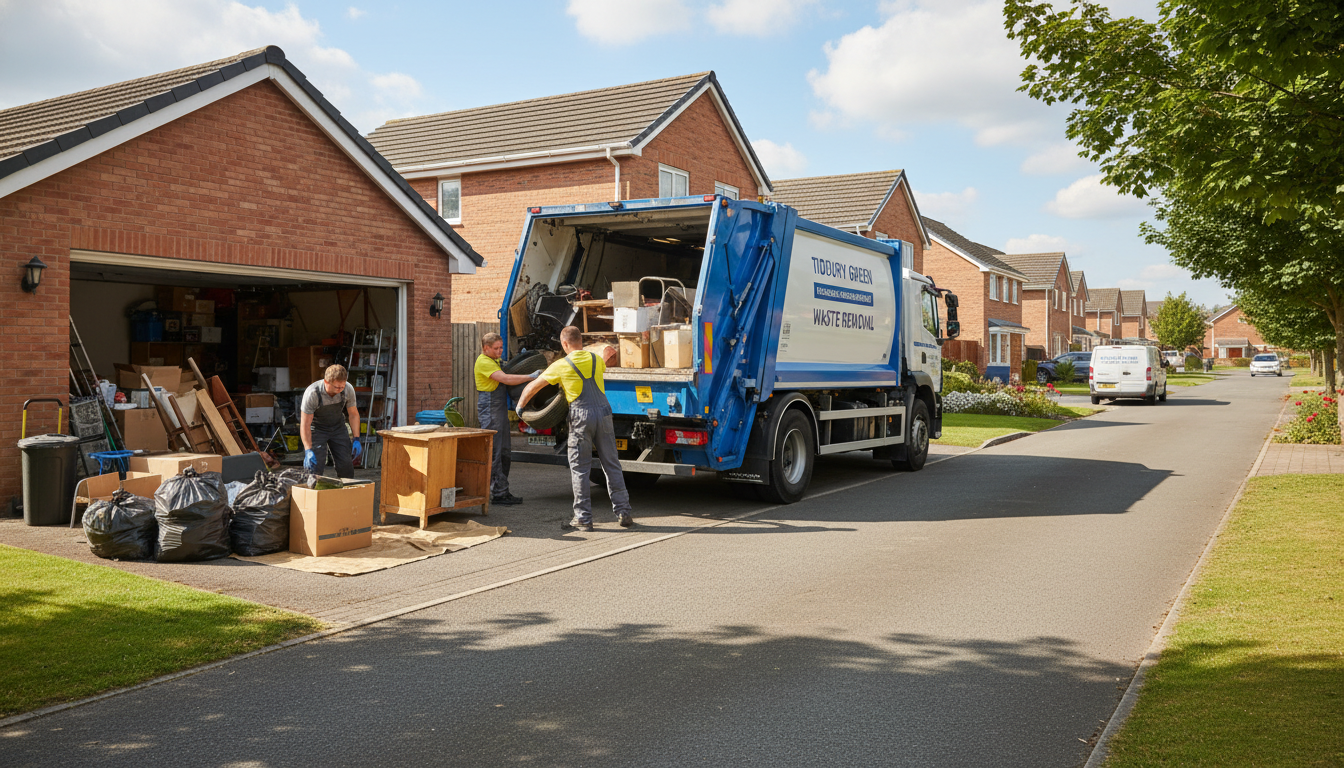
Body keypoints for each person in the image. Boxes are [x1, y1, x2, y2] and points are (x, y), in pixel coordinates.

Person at [515, 326, 634, 532]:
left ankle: (583, 518)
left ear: (564, 344)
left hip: (581, 416)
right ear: (581, 342)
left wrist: (520, 408)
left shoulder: (561, 365)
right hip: (604, 414)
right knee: (612, 464)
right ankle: (624, 511)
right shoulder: (596, 361)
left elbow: (533, 386)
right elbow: (609, 355)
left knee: (580, 468)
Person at [475, 332, 540, 506]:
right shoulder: (483, 362)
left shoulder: (494, 361)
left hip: (498, 407)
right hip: (489, 407)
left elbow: (509, 369)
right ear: (485, 348)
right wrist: (531, 377)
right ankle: (497, 493)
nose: (500, 351)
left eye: (501, 347)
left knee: (504, 449)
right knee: (496, 449)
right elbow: (505, 378)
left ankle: (502, 490)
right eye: (496, 348)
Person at [300, 364, 362, 478]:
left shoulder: (348, 389)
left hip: (338, 428)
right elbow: (305, 424)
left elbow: (353, 414)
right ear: (326, 382)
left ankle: (346, 494)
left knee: (346, 465)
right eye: (336, 387)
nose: (339, 390)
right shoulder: (312, 393)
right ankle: (313, 493)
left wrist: (356, 438)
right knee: (315, 467)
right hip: (317, 430)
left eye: (342, 387)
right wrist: (308, 449)